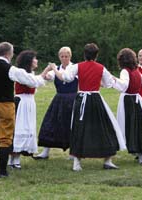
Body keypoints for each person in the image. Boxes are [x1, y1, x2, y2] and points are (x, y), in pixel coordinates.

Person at [50, 43, 126, 171]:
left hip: (82, 99)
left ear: (84, 54)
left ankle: (77, 162)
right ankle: (107, 160)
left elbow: (66, 78)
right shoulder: (101, 68)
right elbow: (108, 83)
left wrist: (55, 69)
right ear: (96, 55)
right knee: (104, 128)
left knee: (79, 129)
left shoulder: (77, 66)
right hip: (96, 99)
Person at [0, 42, 49, 178]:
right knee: (5, 138)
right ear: (8, 53)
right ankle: (3, 171)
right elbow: (32, 81)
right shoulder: (10, 69)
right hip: (5, 104)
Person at [34, 47, 78, 159]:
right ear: (59, 57)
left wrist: (53, 68)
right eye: (62, 56)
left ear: (70, 56)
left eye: (66, 56)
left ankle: (73, 152)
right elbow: (47, 77)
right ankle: (45, 151)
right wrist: (48, 69)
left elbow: (64, 77)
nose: (64, 59)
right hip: (59, 99)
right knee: (51, 123)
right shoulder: (56, 68)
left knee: (71, 124)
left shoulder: (74, 68)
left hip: (72, 98)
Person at [115, 48, 142, 165]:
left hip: (128, 100)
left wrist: (112, 81)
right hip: (138, 100)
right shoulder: (136, 71)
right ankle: (141, 154)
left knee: (128, 125)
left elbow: (123, 85)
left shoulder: (125, 71)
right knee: (139, 126)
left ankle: (133, 148)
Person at [8, 50, 46, 169]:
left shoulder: (30, 73)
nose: (36, 61)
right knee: (19, 128)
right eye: (34, 59)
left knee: (27, 128)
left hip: (29, 102)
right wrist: (46, 71)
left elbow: (38, 80)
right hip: (22, 102)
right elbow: (33, 83)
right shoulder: (22, 73)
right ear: (29, 61)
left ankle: (16, 158)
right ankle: (12, 159)